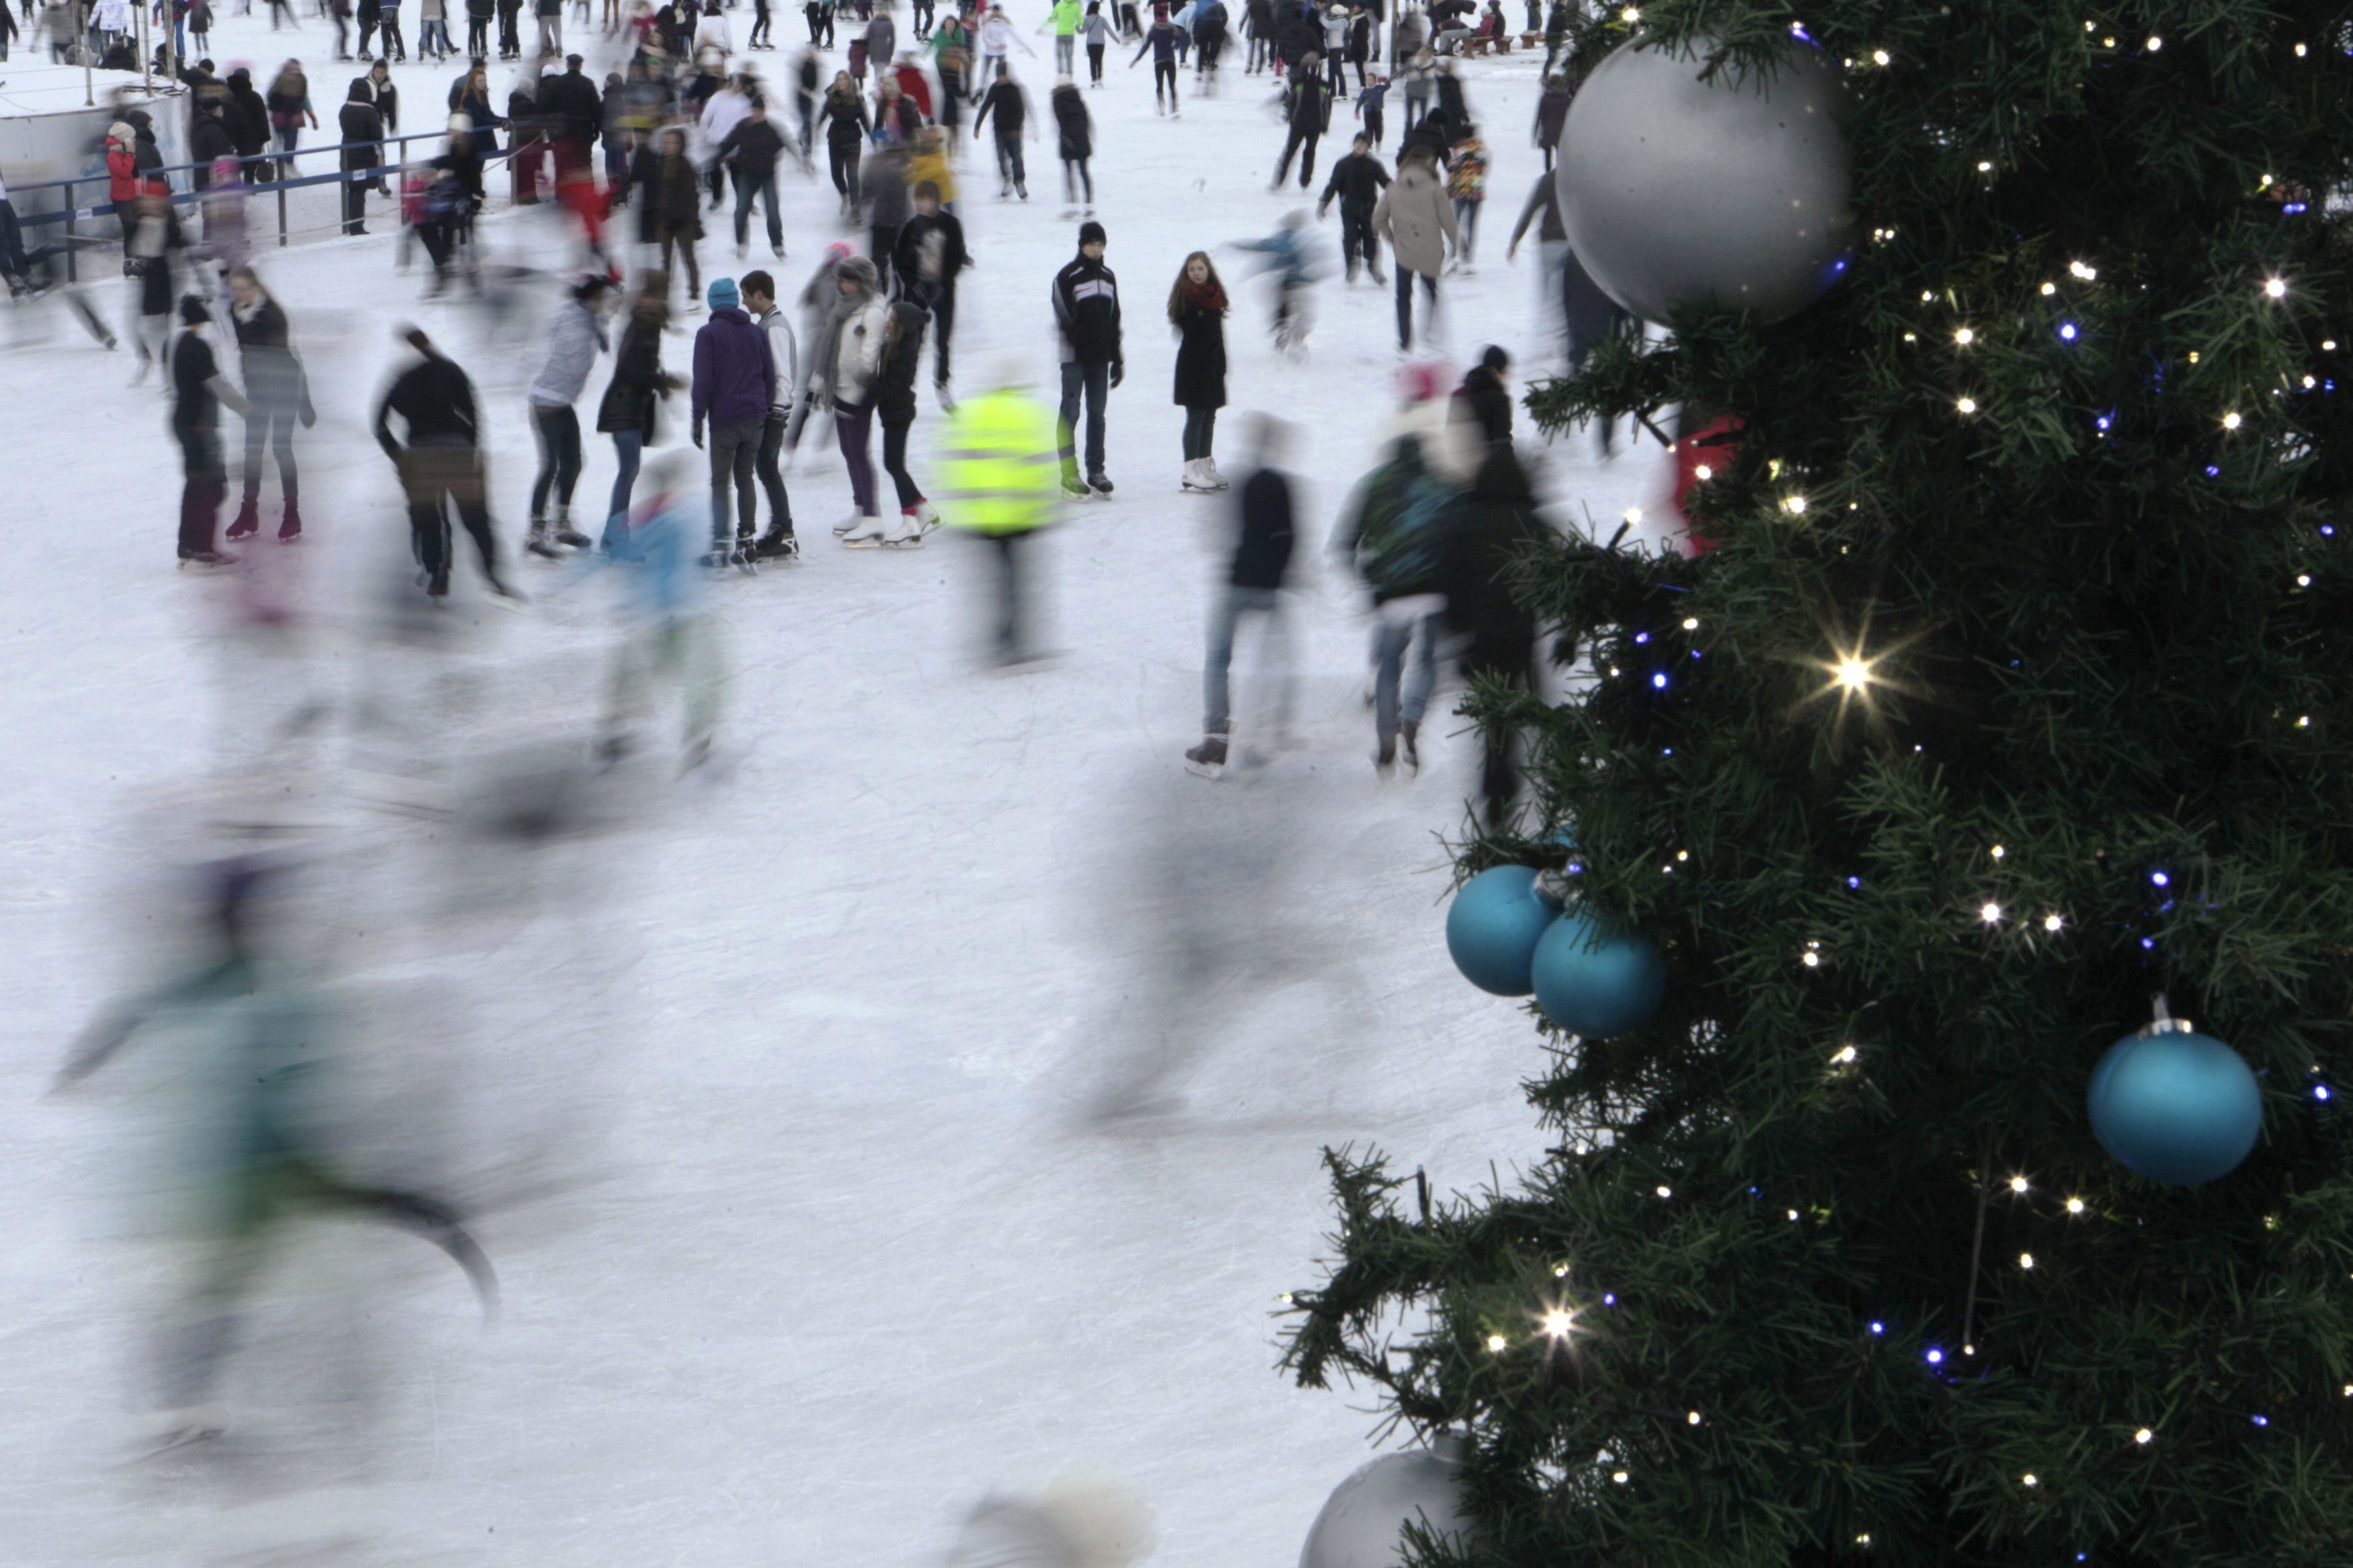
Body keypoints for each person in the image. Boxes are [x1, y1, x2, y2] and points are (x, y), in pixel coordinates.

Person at [1184, 412, 1295, 776]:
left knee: (1218, 660)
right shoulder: (1282, 484)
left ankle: (1216, 737)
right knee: (1274, 661)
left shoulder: (1237, 480)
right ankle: (1266, 734)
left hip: (1236, 582)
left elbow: (1215, 534)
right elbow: (1292, 536)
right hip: (1270, 589)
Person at [1438, 444, 1542, 823]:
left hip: (1480, 637)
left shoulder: (1465, 521)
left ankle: (1494, 788)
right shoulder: (1532, 522)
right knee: (1513, 708)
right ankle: (1512, 783)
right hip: (1520, 632)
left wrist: (1456, 627)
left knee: (1494, 714)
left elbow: (1450, 579)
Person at [374, 326, 516, 600]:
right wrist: (471, 449)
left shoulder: (404, 376)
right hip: (458, 454)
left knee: (428, 518)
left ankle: (437, 573)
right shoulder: (453, 371)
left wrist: (399, 456)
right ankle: (492, 574)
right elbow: (473, 414)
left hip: (421, 456)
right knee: (476, 518)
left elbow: (378, 422)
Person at [936, 368, 1062, 665]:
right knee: (1017, 583)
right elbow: (1042, 465)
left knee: (991, 582)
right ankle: (1014, 641)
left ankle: (996, 639)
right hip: (1019, 516)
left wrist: (958, 507)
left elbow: (952, 461)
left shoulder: (970, 412)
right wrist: (1049, 508)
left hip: (980, 517)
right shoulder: (1030, 412)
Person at [690, 275, 779, 566]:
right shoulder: (755, 332)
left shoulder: (708, 334)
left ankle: (719, 545)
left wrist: (697, 419)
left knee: (720, 482)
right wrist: (762, 408)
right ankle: (746, 541)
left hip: (725, 419)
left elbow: (703, 382)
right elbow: (769, 376)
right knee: (745, 479)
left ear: (713, 305)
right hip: (754, 418)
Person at [522, 276, 612, 556]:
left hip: (561, 403)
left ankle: (560, 522)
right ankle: (535, 531)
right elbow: (573, 365)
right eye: (604, 300)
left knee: (573, 462)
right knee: (551, 465)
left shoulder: (581, 315)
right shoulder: (575, 327)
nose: (607, 305)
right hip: (548, 404)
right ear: (592, 300)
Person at [224, 267, 309, 543]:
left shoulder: (272, 316)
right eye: (234, 288)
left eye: (242, 288)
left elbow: (279, 359)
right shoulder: (234, 312)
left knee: (281, 449)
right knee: (252, 451)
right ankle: (248, 513)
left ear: (255, 288)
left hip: (282, 386)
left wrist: (301, 402)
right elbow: (247, 356)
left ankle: (291, 514)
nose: (237, 294)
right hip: (258, 389)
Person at [808, 255, 891, 540]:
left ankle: (873, 515)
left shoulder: (873, 312)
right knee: (848, 450)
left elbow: (870, 351)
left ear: (864, 283)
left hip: (858, 391)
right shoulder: (841, 309)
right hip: (840, 389)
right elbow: (828, 350)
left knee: (859, 451)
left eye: (851, 280)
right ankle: (860, 507)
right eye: (842, 280)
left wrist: (859, 378)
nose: (845, 286)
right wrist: (819, 383)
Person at [594, 289, 682, 550]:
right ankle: (615, 536)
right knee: (628, 471)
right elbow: (635, 371)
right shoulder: (646, 331)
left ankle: (615, 534)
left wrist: (661, 381)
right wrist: (664, 381)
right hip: (625, 410)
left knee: (629, 471)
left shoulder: (639, 328)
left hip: (626, 409)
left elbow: (641, 368)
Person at [172, 296, 253, 567]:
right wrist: (248, 410)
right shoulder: (198, 347)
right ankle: (203, 547)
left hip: (183, 423)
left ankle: (187, 545)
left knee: (195, 487)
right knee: (212, 488)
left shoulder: (178, 345)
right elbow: (217, 386)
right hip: (201, 427)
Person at [1051, 219, 1121, 497]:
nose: (1096, 249)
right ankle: (1069, 473)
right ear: (1082, 245)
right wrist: (1079, 339)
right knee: (1070, 413)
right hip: (1075, 358)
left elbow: (1115, 317)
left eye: (1100, 244)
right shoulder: (1068, 276)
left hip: (1100, 358)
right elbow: (1062, 312)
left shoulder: (1108, 276)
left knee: (1097, 414)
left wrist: (1117, 356)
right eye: (1091, 243)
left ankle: (1096, 470)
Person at [735, 269, 801, 559]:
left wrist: (776, 411)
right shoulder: (769, 323)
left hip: (774, 413)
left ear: (759, 294)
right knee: (766, 468)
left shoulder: (774, 327)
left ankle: (784, 532)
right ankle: (780, 528)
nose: (744, 302)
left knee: (768, 469)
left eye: (746, 296)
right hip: (774, 410)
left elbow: (782, 375)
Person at [867, 296, 938, 544]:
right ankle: (923, 508)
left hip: (899, 413)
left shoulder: (904, 351)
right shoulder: (895, 345)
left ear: (903, 324)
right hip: (894, 413)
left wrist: (869, 385)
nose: (887, 323)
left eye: (892, 319)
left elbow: (895, 386)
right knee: (893, 464)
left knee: (894, 465)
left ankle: (910, 520)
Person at [1371, 141, 1455, 351]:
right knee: (1431, 290)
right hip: (1431, 249)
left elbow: (1377, 219)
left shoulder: (1392, 189)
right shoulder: (1435, 188)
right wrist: (1458, 246)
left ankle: (1405, 341)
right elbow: (1448, 221)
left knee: (1403, 296)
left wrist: (1392, 239)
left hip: (1404, 250)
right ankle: (1432, 334)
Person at [893, 178, 967, 402]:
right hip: (917, 291)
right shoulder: (911, 227)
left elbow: (956, 257)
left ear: (936, 199)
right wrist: (913, 284)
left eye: (927, 199)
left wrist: (943, 284)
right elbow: (899, 259)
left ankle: (942, 383)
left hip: (943, 291)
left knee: (942, 341)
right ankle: (907, 382)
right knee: (913, 339)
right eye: (919, 199)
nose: (923, 204)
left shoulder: (951, 224)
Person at [1167, 250, 1226, 493]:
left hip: (1213, 363)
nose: (1197, 273)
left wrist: (1222, 364)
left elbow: (1217, 335)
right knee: (1196, 417)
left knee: (1209, 416)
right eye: (1192, 270)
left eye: (1200, 269)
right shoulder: (1187, 298)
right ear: (1187, 273)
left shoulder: (1215, 296)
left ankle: (1204, 464)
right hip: (1194, 366)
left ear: (1208, 270)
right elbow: (1190, 333)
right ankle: (1190, 470)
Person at [637, 126, 704, 307]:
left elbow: (692, 196)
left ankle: (694, 293)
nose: (669, 146)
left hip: (684, 220)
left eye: (674, 142)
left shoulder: (686, 166)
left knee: (688, 257)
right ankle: (664, 294)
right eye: (666, 142)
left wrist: (693, 219)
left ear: (681, 144)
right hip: (665, 219)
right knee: (666, 259)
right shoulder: (658, 165)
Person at [717, 96, 788, 258]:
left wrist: (770, 160)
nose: (756, 114)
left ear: (764, 112)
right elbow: (729, 142)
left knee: (773, 212)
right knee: (741, 210)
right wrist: (719, 156)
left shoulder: (771, 128)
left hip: (767, 176)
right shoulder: (743, 127)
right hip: (747, 176)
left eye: (760, 111)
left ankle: (777, 244)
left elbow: (780, 145)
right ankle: (741, 243)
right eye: (754, 111)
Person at [1318, 130, 1388, 283]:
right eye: (1357, 143)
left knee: (1371, 238)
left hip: (1369, 209)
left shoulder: (1374, 165)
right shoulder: (1343, 164)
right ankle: (1351, 265)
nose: (1359, 146)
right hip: (1349, 209)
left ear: (1368, 147)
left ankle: (1373, 267)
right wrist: (1324, 202)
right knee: (1350, 237)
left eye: (1363, 144)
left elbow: (1386, 182)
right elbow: (1333, 185)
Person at [973, 64, 1032, 200]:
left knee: (1016, 158)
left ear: (1008, 75)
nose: (1000, 79)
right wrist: (977, 126)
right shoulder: (995, 88)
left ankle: (1019, 182)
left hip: (1014, 131)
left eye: (1002, 75)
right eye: (998, 76)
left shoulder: (1015, 89)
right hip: (999, 131)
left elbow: (1020, 111)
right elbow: (986, 106)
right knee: (1001, 158)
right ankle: (1007, 180)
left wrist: (1017, 128)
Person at [1272, 50, 1330, 188]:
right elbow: (1327, 108)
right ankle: (1305, 180)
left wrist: (1290, 116)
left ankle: (1279, 180)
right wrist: (1325, 124)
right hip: (1315, 124)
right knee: (1310, 152)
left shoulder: (1298, 83)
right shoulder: (1323, 86)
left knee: (1289, 152)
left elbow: (1291, 102)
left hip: (1298, 123)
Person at [818, 71, 872, 215]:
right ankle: (844, 194)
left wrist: (872, 136)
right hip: (836, 140)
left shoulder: (857, 99)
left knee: (852, 175)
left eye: (844, 79)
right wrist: (815, 129)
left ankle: (855, 208)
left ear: (849, 81)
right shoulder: (831, 99)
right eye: (839, 80)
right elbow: (822, 116)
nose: (841, 82)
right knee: (836, 174)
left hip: (853, 140)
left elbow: (865, 120)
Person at [337, 80, 384, 234]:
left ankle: (350, 222)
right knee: (360, 191)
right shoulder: (369, 111)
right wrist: (380, 155)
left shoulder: (345, 109)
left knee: (352, 189)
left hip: (347, 153)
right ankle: (357, 226)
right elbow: (377, 136)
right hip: (365, 154)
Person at [865, 141, 913, 292]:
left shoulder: (877, 165)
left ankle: (881, 284)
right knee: (898, 258)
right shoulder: (904, 169)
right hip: (899, 220)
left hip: (880, 219)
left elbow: (867, 192)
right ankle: (898, 290)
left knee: (878, 257)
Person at [266, 60, 317, 177]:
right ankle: (288, 166)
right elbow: (305, 100)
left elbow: (270, 96)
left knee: (280, 142)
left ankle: (279, 167)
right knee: (290, 142)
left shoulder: (279, 79)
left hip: (280, 117)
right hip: (295, 117)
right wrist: (312, 116)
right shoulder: (301, 81)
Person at [1445, 123, 1486, 272]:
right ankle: (1469, 260)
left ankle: (1452, 256)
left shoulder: (1458, 150)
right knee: (1472, 226)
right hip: (1476, 192)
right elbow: (1484, 169)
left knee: (1456, 225)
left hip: (1460, 192)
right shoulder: (1482, 150)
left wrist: (1449, 190)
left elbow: (1451, 170)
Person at [1049, 73, 1091, 210]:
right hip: (1082, 138)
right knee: (1084, 171)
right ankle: (1089, 202)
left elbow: (1060, 120)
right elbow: (1087, 120)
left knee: (1069, 172)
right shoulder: (1078, 100)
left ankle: (1072, 203)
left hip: (1068, 140)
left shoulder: (1057, 100)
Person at [1455, 343, 1509, 447]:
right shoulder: (1499, 400)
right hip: (1489, 460)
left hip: (1459, 460)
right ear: (1496, 372)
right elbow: (1503, 442)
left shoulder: (1459, 394)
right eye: (1504, 371)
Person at [1128, 6, 1179, 114]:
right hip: (1170, 60)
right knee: (1172, 85)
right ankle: (1174, 107)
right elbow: (1179, 42)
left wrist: (1136, 59)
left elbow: (1146, 46)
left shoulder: (1154, 28)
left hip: (1158, 61)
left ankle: (1161, 107)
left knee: (1159, 85)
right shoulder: (1172, 27)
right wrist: (1175, 46)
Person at [1039, 0, 1076, 73]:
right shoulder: (1074, 7)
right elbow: (1079, 20)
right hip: (1070, 34)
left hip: (1060, 33)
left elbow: (1051, 18)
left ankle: (1060, 71)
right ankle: (1069, 71)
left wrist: (1042, 27)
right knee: (1069, 55)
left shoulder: (1060, 6)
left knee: (1059, 54)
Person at [1082, 0, 1110, 83]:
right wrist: (1117, 40)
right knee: (1099, 61)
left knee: (1092, 61)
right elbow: (1109, 31)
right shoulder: (1102, 19)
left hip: (1090, 44)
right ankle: (1100, 78)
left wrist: (1077, 28)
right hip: (1101, 43)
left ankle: (1094, 79)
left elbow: (1083, 31)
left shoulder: (1087, 19)